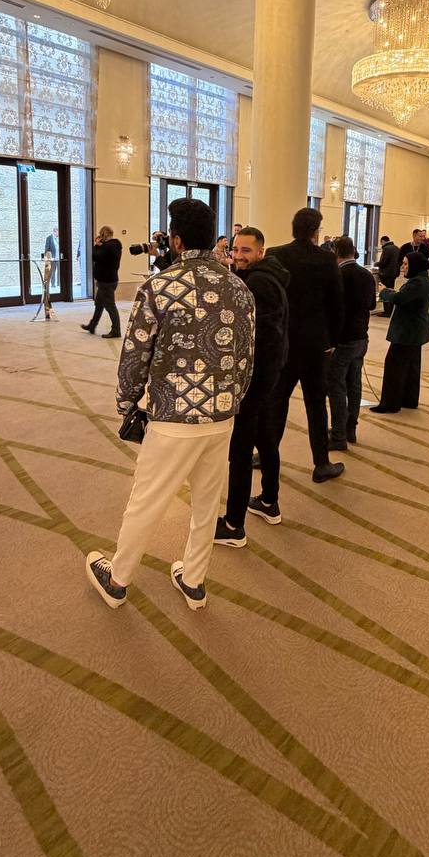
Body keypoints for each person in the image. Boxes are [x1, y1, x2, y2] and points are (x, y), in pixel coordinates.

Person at [85, 198, 255, 611]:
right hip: (222, 415)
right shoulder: (239, 288)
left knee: (147, 499)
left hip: (172, 415)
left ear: (176, 240)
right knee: (206, 503)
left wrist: (127, 402)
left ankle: (118, 578)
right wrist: (231, 399)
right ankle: (194, 581)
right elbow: (248, 355)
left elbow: (135, 353)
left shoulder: (159, 286)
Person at [249, 208, 345, 525]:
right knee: (316, 404)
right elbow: (336, 303)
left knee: (276, 401)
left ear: (293, 227)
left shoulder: (276, 255)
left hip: (285, 342)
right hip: (316, 345)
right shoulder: (327, 260)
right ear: (316, 230)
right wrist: (334, 338)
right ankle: (321, 463)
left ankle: (266, 454)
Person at [214, 226, 289, 548]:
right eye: (235, 249)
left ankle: (234, 525)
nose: (239, 256)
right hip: (269, 375)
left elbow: (258, 336)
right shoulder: (269, 277)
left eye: (246, 250)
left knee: (241, 451)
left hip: (255, 378)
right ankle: (269, 501)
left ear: (261, 251)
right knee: (267, 439)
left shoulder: (256, 283)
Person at [327, 235, 377, 450]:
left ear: (336, 252)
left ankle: (338, 435)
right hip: (361, 337)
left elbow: (332, 309)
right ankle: (350, 428)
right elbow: (372, 305)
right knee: (354, 384)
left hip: (343, 340)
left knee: (336, 386)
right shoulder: (366, 274)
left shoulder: (338, 275)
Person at [371, 252, 429, 413]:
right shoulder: (422, 280)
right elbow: (403, 296)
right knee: (411, 366)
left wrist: (384, 291)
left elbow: (399, 299)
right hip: (416, 330)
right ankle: (409, 399)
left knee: (394, 366)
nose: (402, 267)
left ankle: (390, 404)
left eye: (405, 264)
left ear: (414, 265)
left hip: (407, 331)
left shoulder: (417, 282)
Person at [81, 225, 122, 337]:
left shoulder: (107, 246)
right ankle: (92, 325)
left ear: (104, 235)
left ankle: (116, 330)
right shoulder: (116, 244)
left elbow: (96, 257)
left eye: (101, 234)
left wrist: (96, 246)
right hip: (110, 279)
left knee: (110, 306)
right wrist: (101, 245)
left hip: (106, 282)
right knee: (99, 304)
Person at [376, 234, 399, 316]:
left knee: (385, 291)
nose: (381, 245)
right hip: (394, 274)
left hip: (386, 274)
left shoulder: (386, 249)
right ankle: (391, 311)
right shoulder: (396, 248)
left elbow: (383, 262)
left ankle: (386, 311)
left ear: (383, 241)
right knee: (391, 291)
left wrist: (375, 264)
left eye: (381, 243)